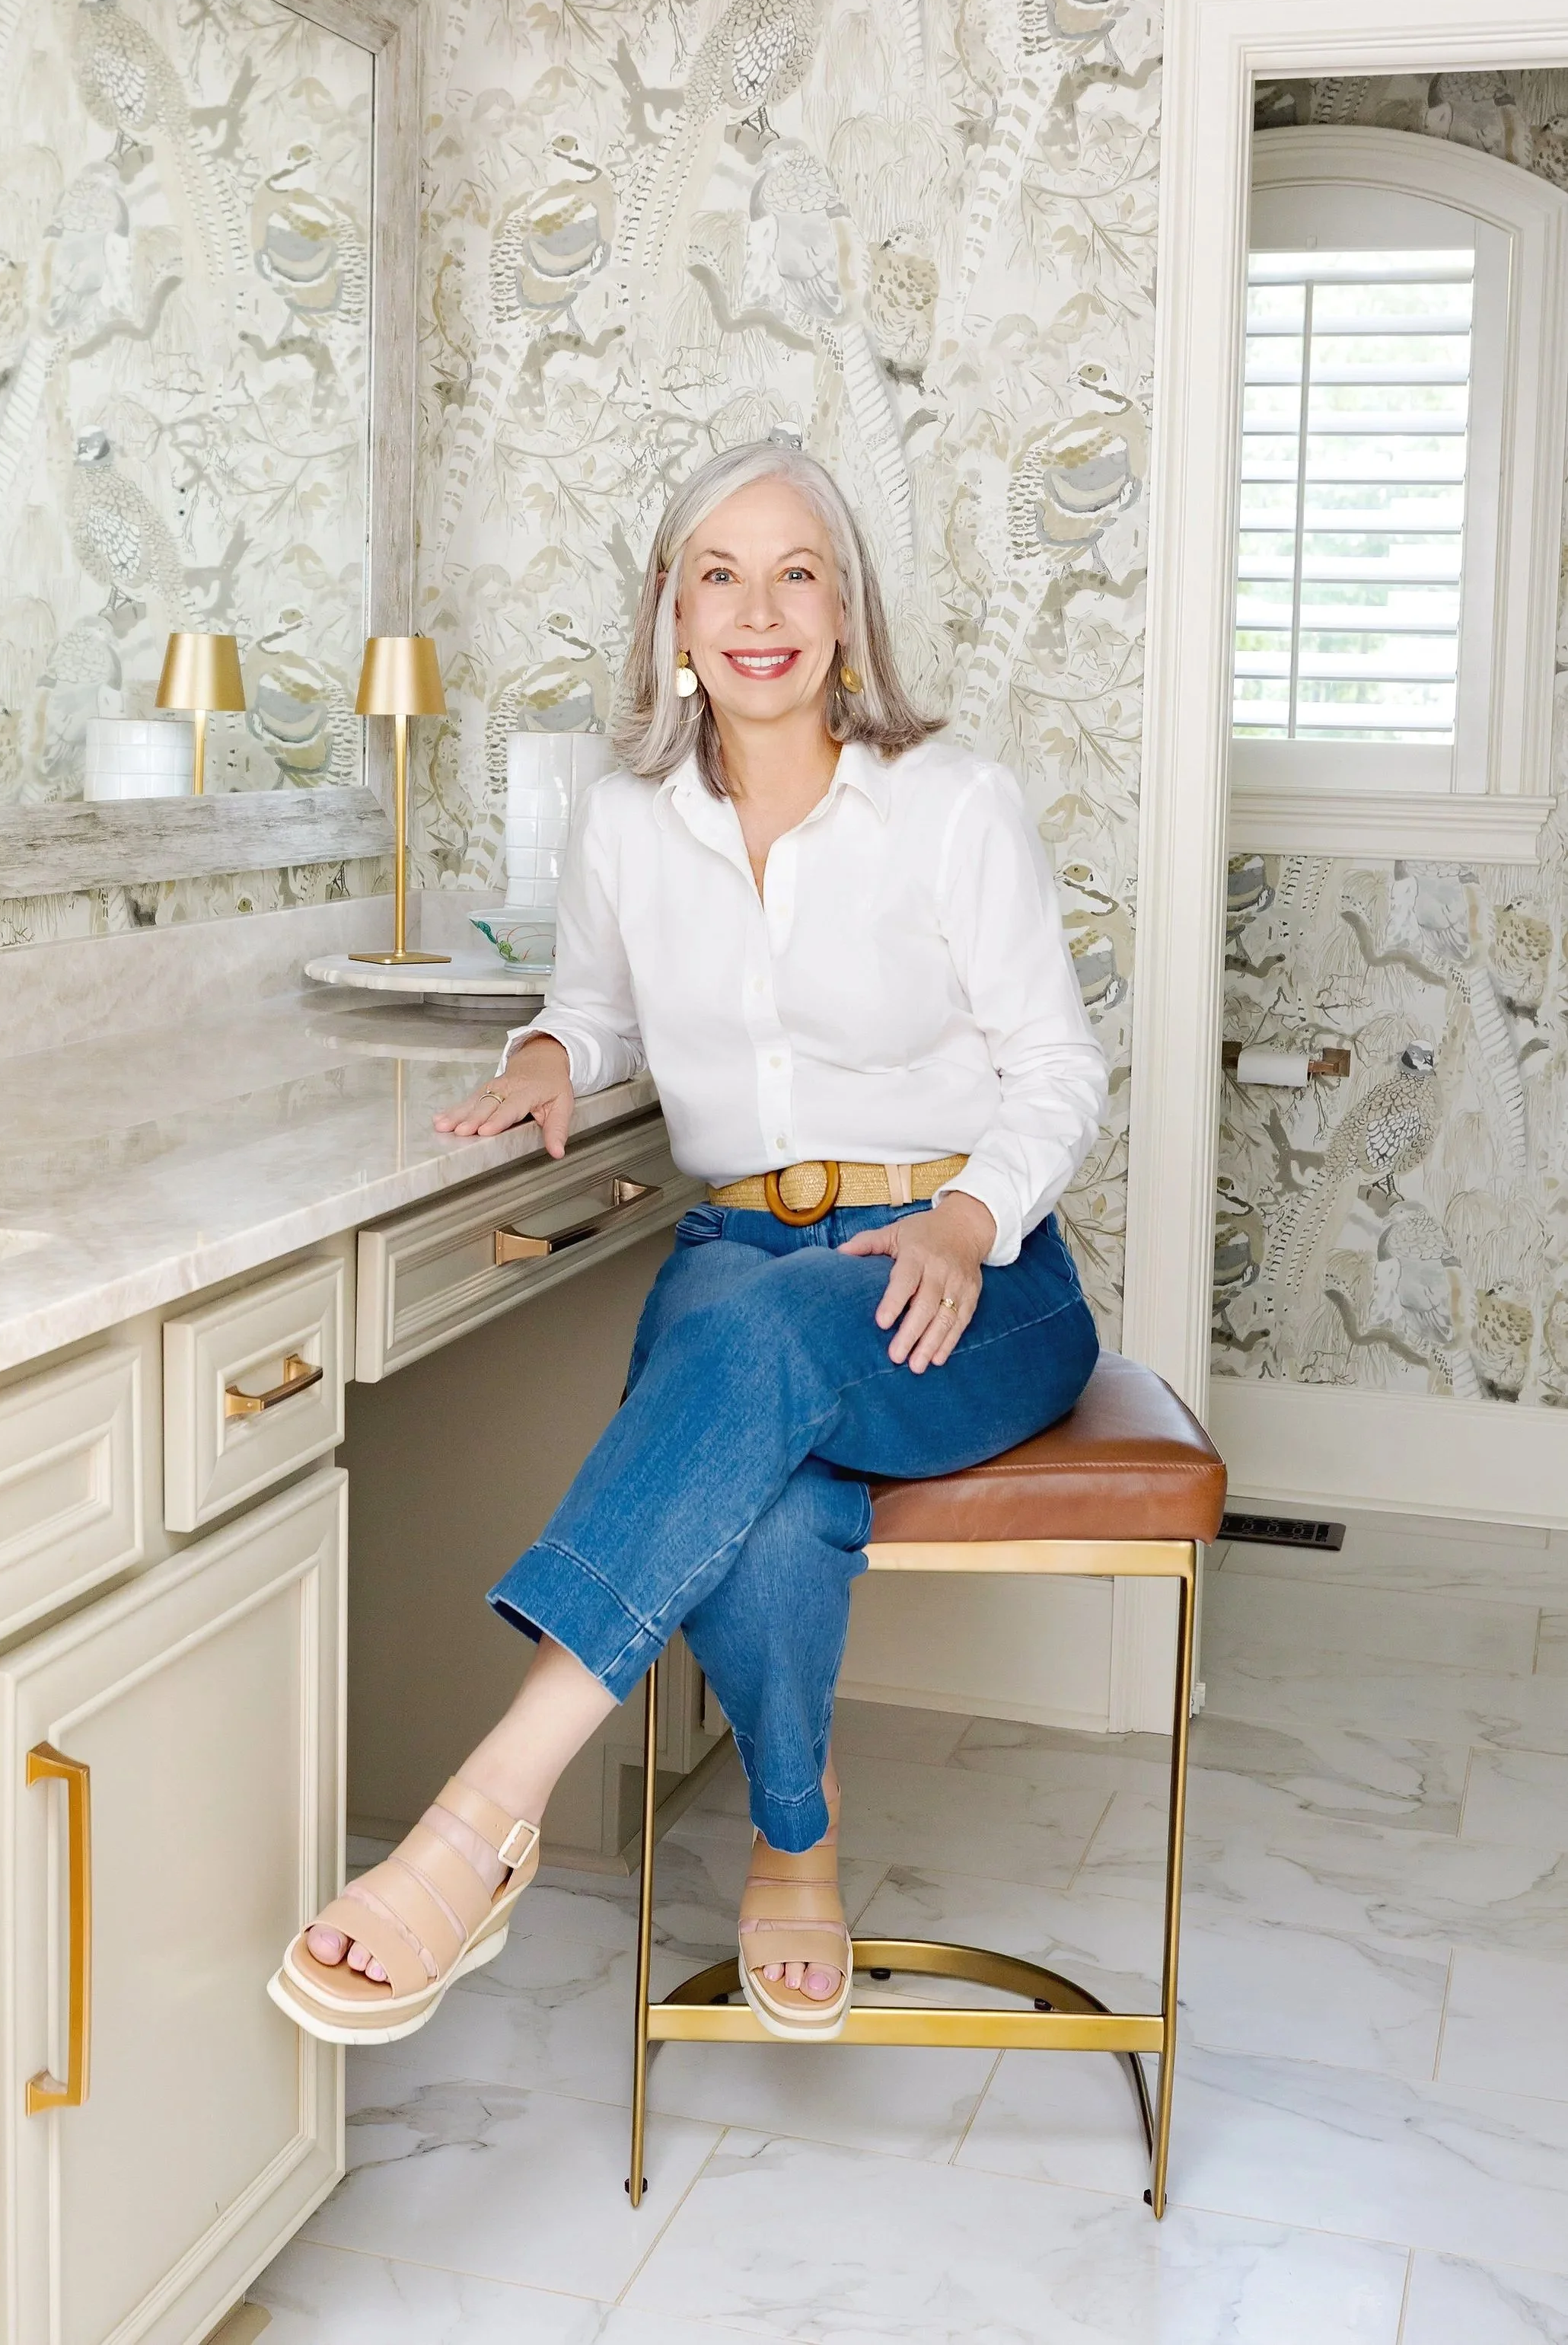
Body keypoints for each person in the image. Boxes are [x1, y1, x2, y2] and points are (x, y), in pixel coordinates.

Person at [269, 438, 1105, 2047]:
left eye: (796, 570)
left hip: (971, 1271)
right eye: (716, 573)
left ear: (846, 609)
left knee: (752, 1353)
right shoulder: (625, 823)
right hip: (744, 1255)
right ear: (670, 613)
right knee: (765, 1452)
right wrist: (542, 1057)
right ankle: (797, 1846)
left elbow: (1060, 1069)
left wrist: (960, 1214)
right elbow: (589, 1011)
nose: (757, 609)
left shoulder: (950, 804)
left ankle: (476, 1819)